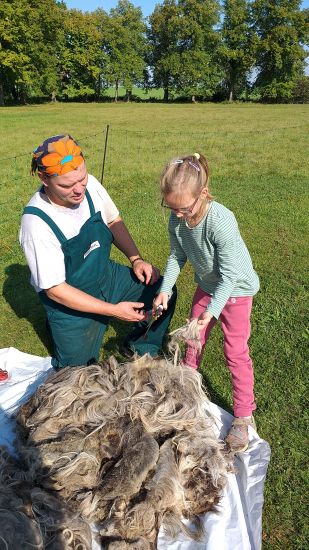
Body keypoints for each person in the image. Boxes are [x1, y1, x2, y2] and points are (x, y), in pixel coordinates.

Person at [19, 134, 176, 369]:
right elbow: (55, 291)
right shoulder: (36, 223)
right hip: (69, 299)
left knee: (163, 291)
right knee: (77, 375)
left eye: (81, 179)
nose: (79, 189)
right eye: (67, 185)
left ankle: (140, 346)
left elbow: (113, 221)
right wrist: (113, 311)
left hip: (106, 276)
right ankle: (57, 326)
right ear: (44, 178)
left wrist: (136, 259)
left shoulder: (90, 185)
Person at [153, 153, 260, 453]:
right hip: (208, 287)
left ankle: (243, 415)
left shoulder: (220, 220)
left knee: (235, 351)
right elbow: (177, 256)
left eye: (184, 208)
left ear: (203, 193)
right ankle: (188, 392)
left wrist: (210, 313)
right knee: (192, 338)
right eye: (171, 208)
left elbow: (229, 276)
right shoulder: (178, 221)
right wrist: (165, 288)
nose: (177, 215)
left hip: (236, 290)